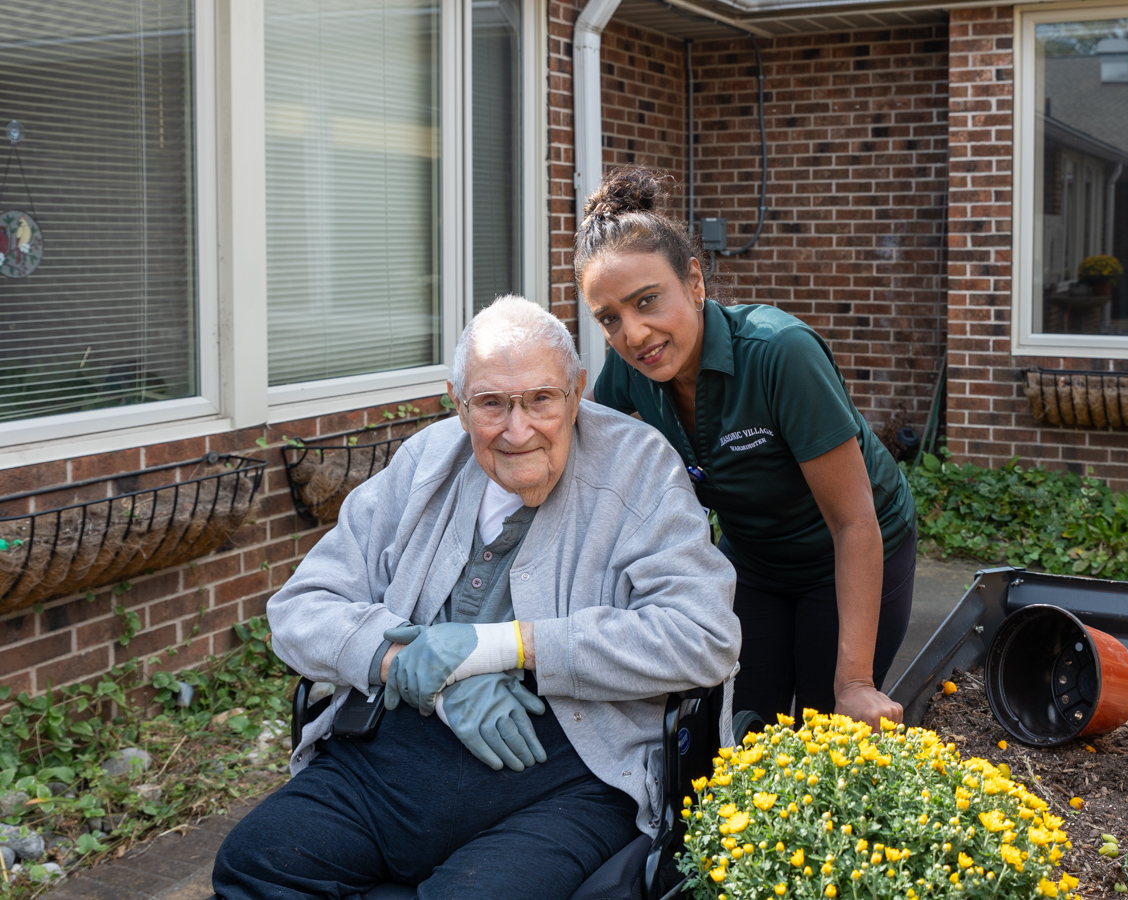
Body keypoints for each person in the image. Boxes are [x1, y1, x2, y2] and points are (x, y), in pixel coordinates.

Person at [212, 296, 740, 899]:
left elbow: (703, 637)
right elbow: (299, 607)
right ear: (458, 404)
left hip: (570, 772)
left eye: (541, 399)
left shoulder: (640, 468)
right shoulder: (426, 463)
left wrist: (499, 646)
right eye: (491, 403)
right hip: (394, 754)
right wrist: (423, 672)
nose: (517, 431)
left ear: (577, 392)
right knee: (254, 862)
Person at [576, 168, 916, 731]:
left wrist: (855, 683)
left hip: (845, 553)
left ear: (695, 281)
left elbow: (855, 523)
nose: (633, 333)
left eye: (647, 301)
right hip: (754, 561)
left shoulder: (780, 355)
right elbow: (589, 450)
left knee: (822, 727)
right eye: (610, 318)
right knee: (736, 722)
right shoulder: (630, 371)